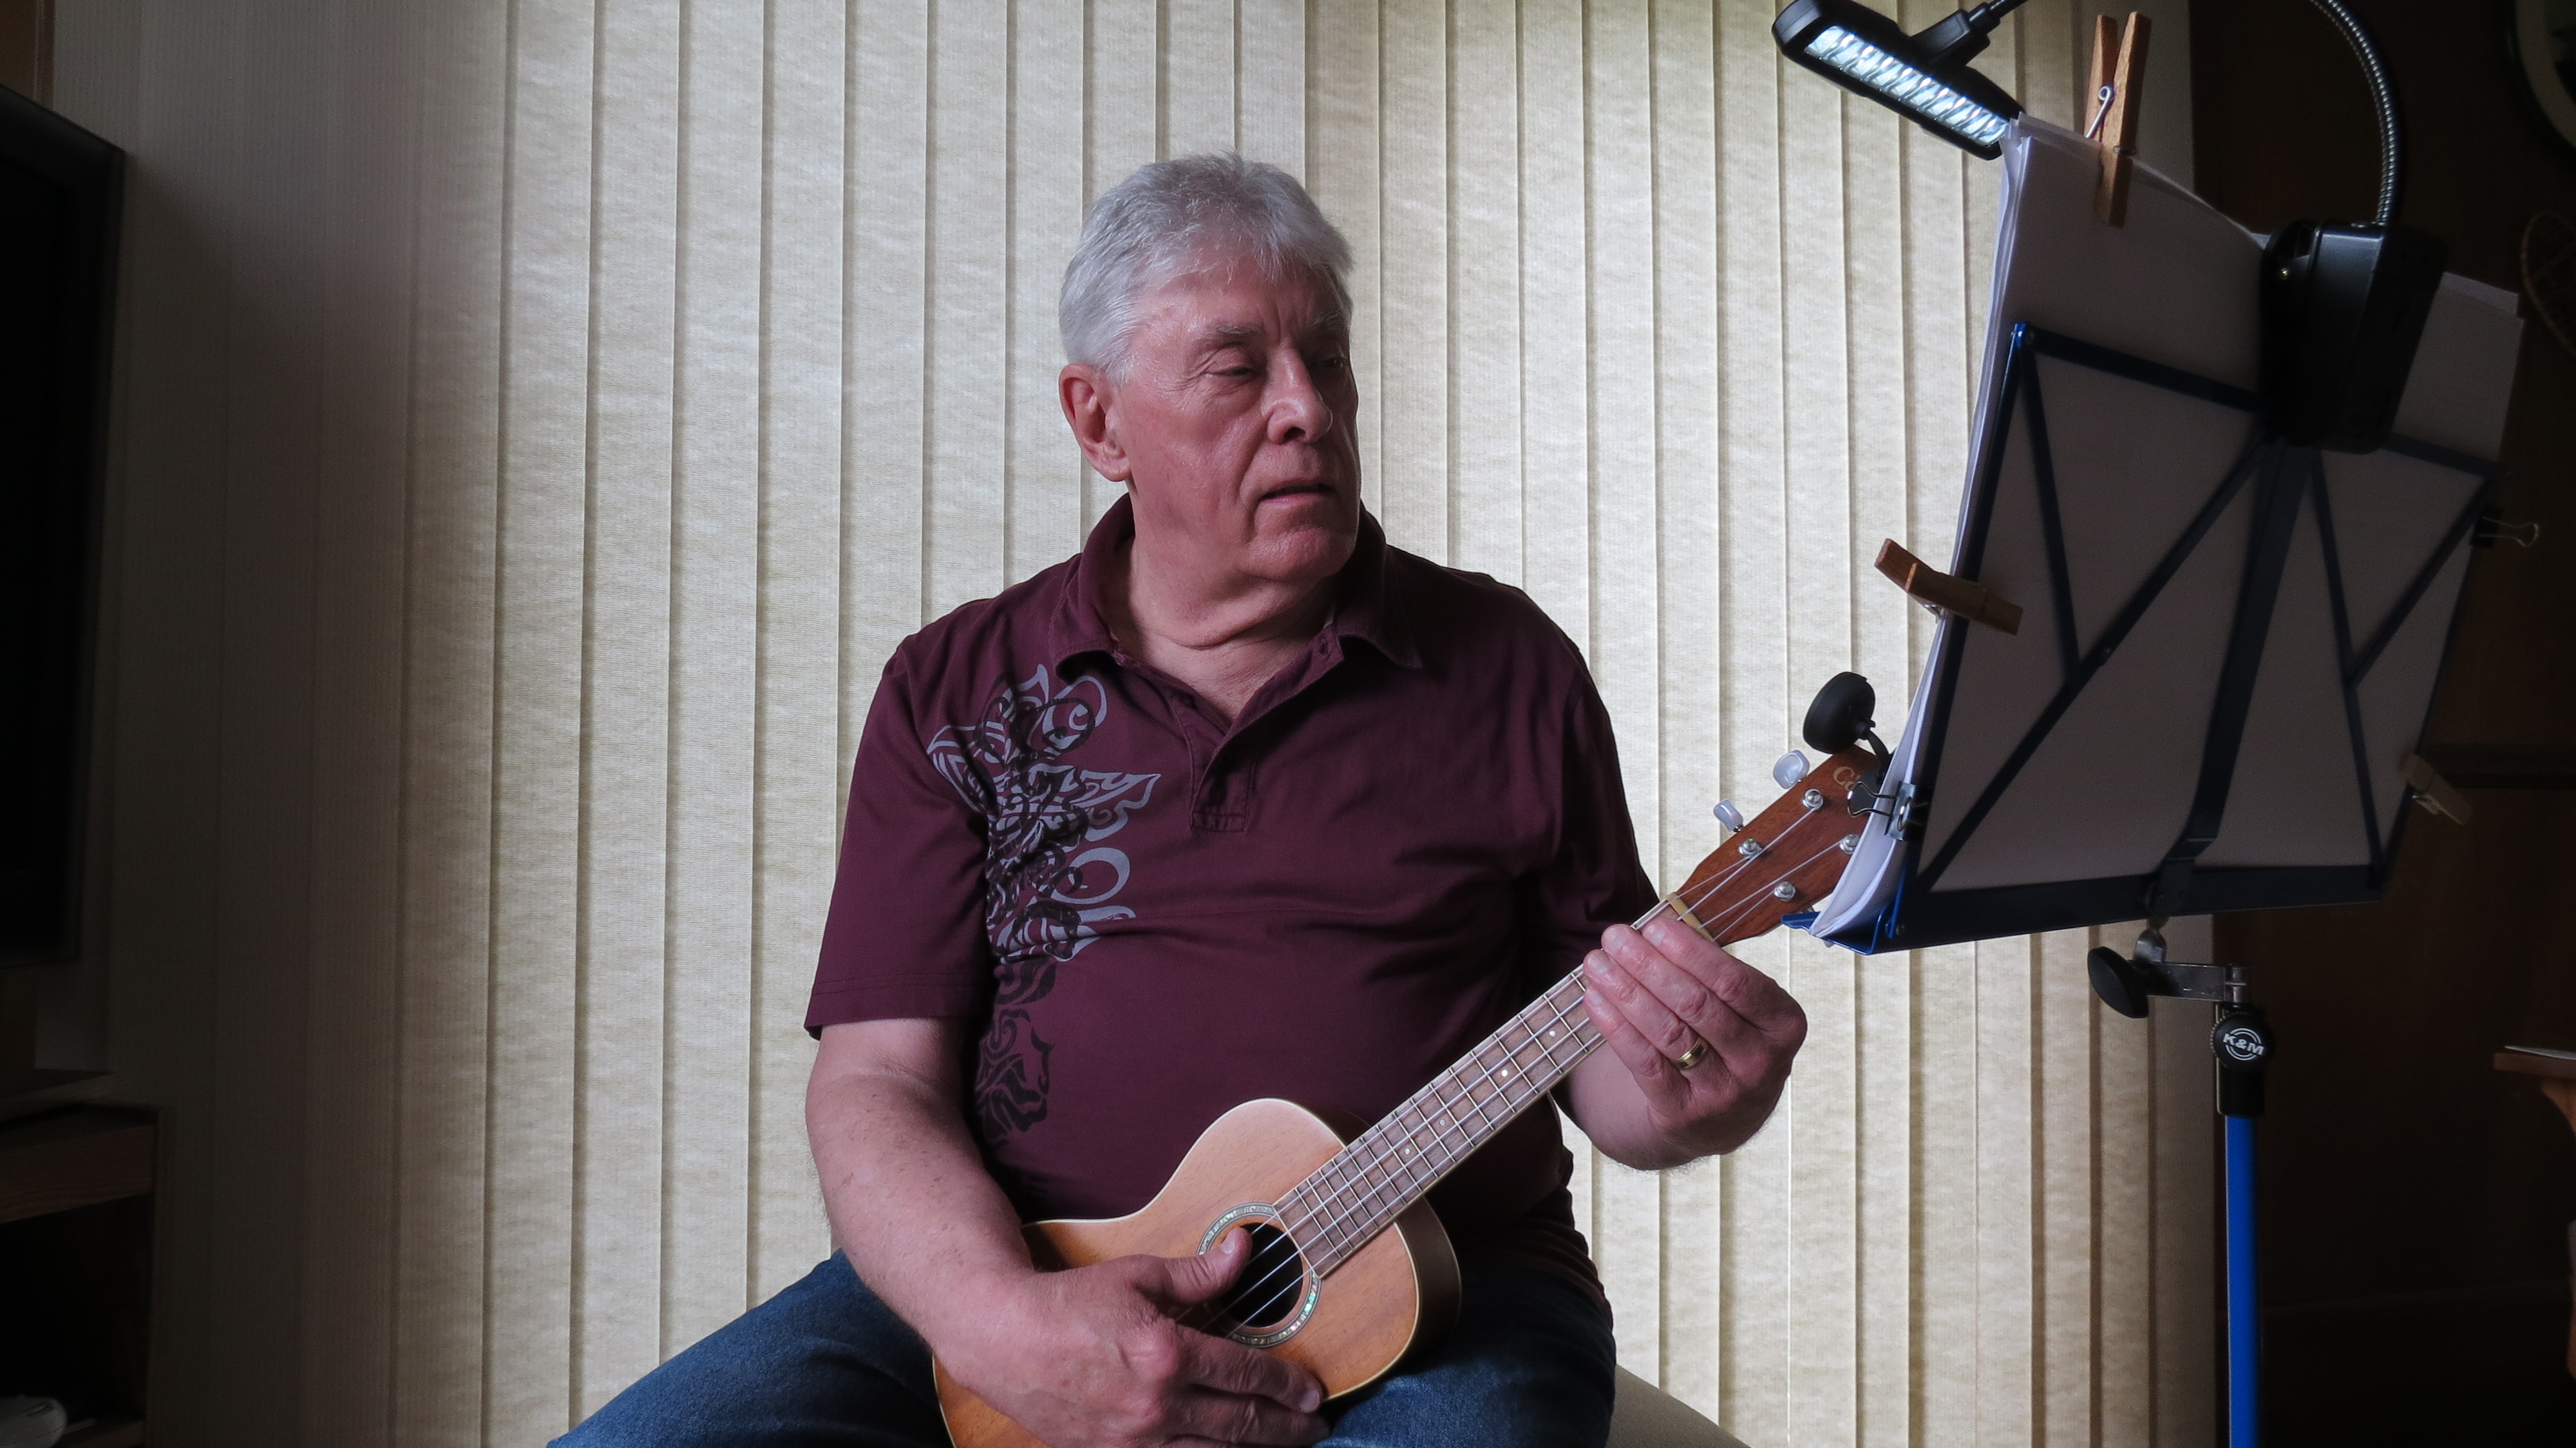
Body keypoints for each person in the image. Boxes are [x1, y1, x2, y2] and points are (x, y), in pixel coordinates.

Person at [559, 153, 1806, 1448]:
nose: (1303, 411)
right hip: (1023, 1280)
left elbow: (1598, 1058)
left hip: (1446, 1308)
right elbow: (876, 1078)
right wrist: (999, 1323)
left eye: (1324, 361)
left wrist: (1687, 1094)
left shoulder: (1508, 664)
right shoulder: (954, 685)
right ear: (1097, 423)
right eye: (1236, 370)